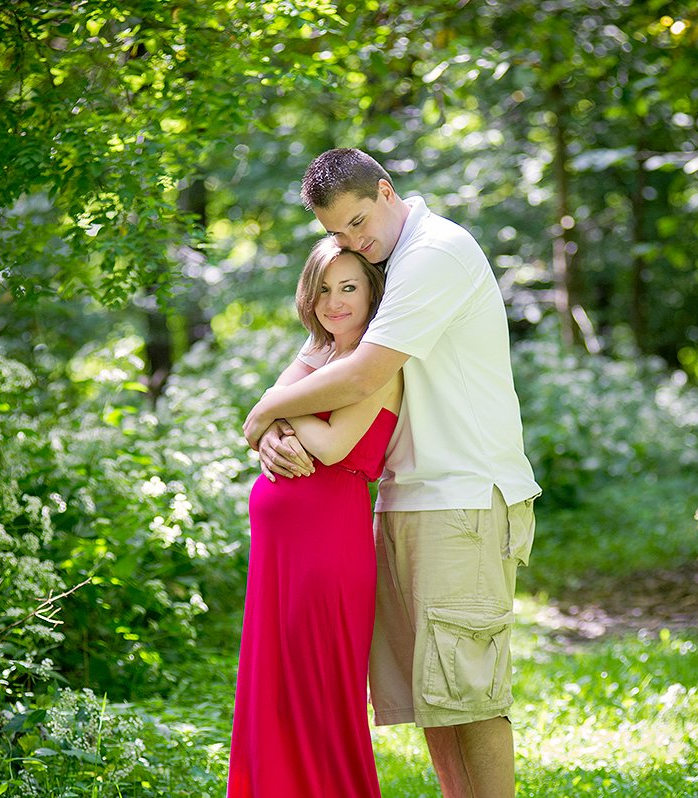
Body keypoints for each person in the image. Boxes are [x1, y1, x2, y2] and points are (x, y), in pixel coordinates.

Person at [243, 148, 540, 798]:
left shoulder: (433, 253)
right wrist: (273, 435)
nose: (351, 240)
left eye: (357, 222)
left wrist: (262, 414)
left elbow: (361, 375)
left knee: (469, 691)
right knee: (430, 697)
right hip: (402, 497)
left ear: (385, 190)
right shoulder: (373, 274)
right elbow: (313, 371)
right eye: (336, 234)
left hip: (460, 495)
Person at [227, 236, 402, 798]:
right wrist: (271, 421)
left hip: (330, 545)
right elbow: (255, 424)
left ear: (372, 292)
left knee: (320, 693)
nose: (335, 301)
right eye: (324, 288)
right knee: (274, 686)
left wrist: (276, 409)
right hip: (279, 553)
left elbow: (329, 445)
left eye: (349, 287)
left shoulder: (376, 366)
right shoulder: (319, 350)